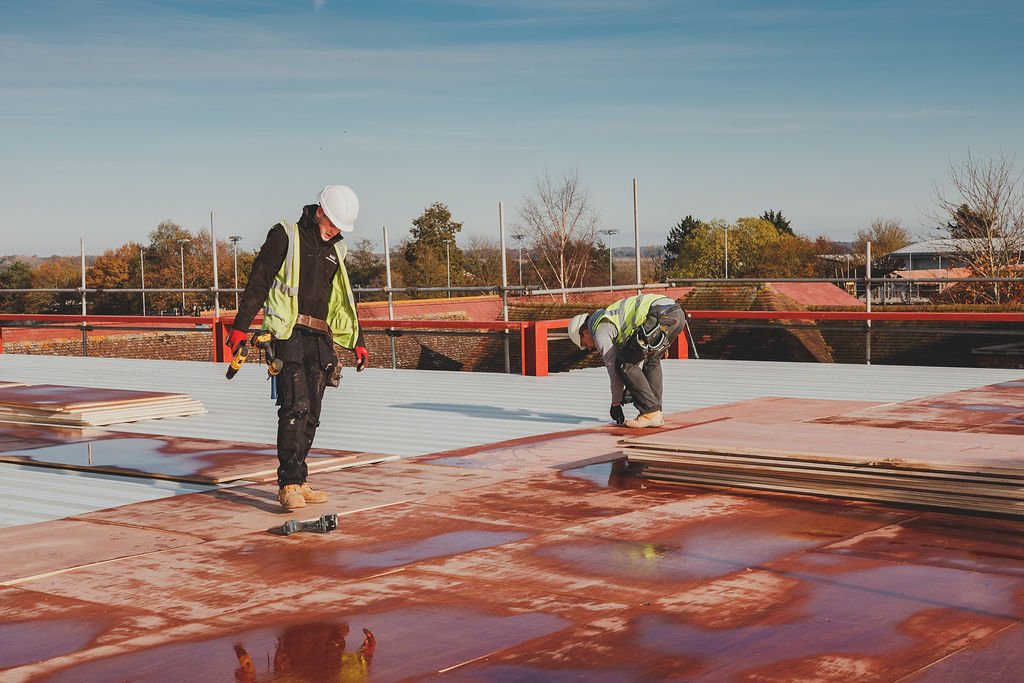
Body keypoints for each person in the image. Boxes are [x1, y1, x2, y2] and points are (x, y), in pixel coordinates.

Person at [228, 185, 368, 511]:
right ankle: (288, 483)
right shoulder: (285, 235)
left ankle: (300, 478)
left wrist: (357, 341)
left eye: (340, 226)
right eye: (332, 222)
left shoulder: (338, 248)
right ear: (319, 211)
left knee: (313, 413)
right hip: (287, 331)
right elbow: (260, 279)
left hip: (319, 336)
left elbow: (341, 300)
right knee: (295, 406)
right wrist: (240, 325)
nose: (335, 230)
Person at [567, 293, 687, 428]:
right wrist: (633, 386)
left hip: (658, 314)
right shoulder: (609, 318)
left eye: (584, 343)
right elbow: (640, 356)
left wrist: (615, 403)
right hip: (676, 313)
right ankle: (655, 411)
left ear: (585, 332)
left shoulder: (600, 331)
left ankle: (650, 412)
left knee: (625, 364)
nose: (588, 348)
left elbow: (614, 370)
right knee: (652, 361)